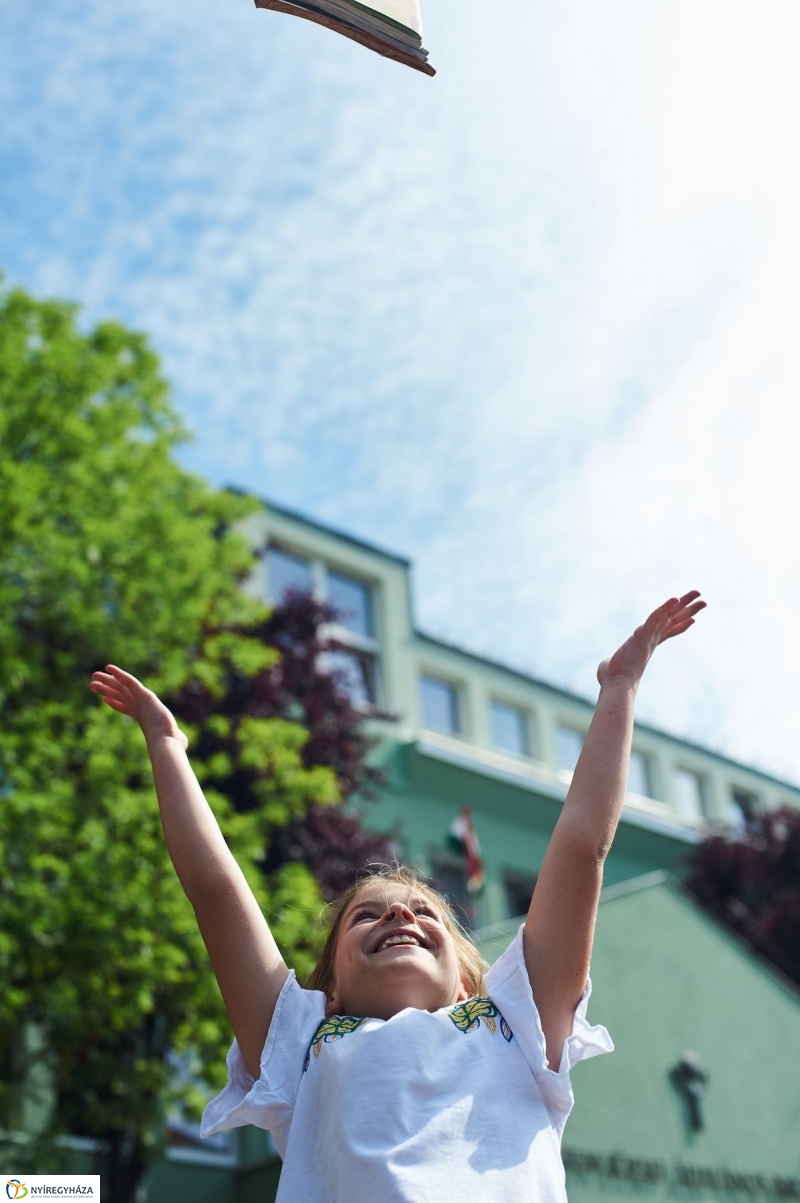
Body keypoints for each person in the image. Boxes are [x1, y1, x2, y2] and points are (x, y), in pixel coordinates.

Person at [89, 590, 705, 1201]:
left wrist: (620, 688)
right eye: (366, 915)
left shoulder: (514, 1023)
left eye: (422, 912)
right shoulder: (302, 1044)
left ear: (468, 984)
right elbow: (216, 893)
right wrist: (168, 747)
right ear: (328, 993)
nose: (398, 913)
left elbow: (581, 848)